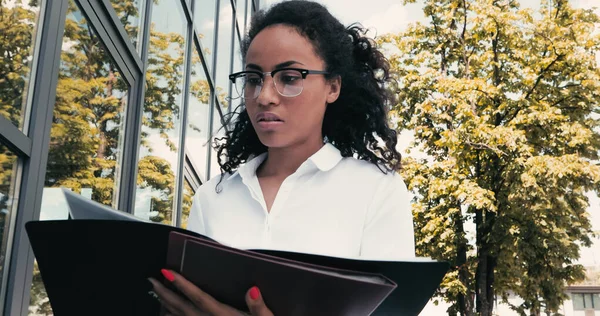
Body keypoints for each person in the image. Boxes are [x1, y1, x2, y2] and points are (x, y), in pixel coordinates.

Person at [148, 1, 415, 314]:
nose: (264, 96)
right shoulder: (212, 198)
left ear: (333, 86)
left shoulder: (376, 191)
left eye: (289, 78)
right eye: (253, 79)